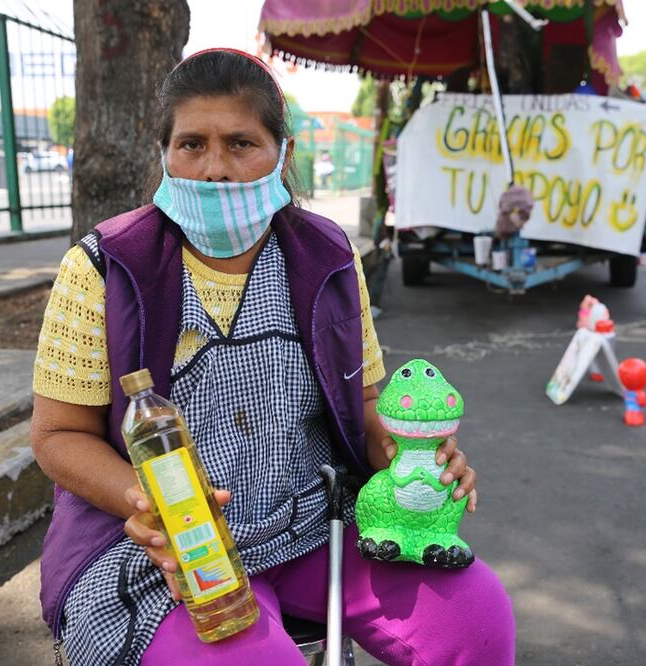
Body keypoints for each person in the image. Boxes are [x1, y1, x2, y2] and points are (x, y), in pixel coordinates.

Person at [30, 48, 514, 665]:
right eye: (191, 145)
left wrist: (412, 460)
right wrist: (148, 506)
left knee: (477, 618)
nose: (215, 170)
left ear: (281, 154)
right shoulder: (105, 267)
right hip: (169, 551)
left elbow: (363, 399)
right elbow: (57, 435)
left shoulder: (328, 255)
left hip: (314, 525)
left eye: (240, 143)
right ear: (163, 154)